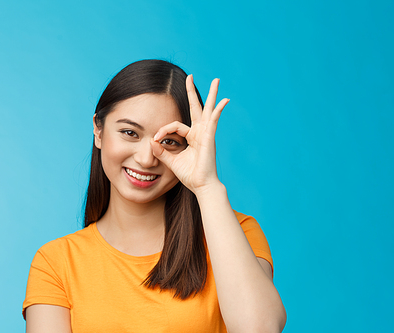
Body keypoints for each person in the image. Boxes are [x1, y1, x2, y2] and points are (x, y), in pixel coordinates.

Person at [23, 59, 286, 332]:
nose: (147, 159)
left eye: (169, 141)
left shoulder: (237, 233)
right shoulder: (56, 262)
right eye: (129, 133)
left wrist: (206, 187)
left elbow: (261, 329)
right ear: (98, 130)